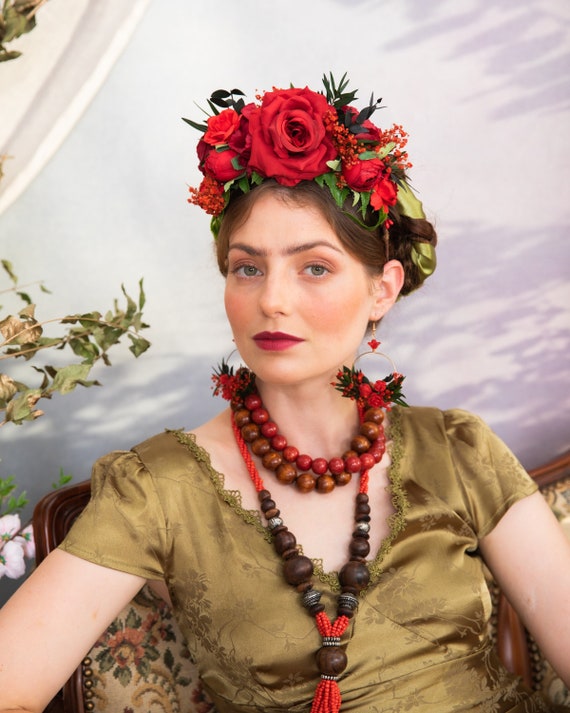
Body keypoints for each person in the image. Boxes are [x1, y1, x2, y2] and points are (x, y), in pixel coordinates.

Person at [0, 73, 569, 713]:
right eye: (248, 268)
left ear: (382, 289)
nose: (271, 300)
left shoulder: (458, 450)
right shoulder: (157, 488)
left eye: (314, 268)